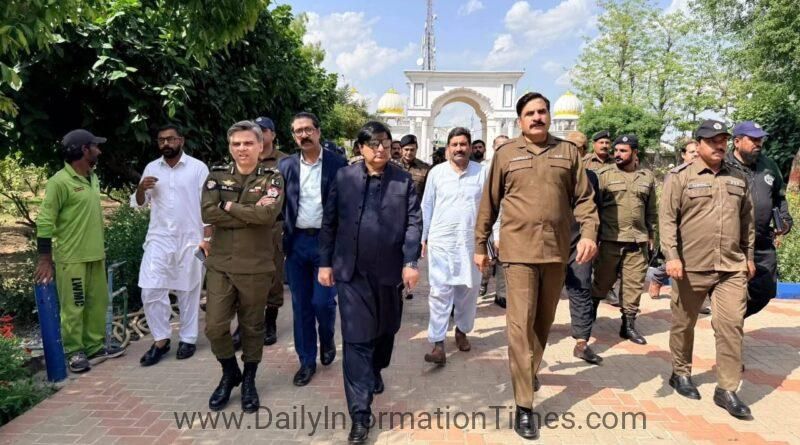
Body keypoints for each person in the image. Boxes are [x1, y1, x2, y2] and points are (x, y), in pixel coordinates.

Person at [474, 92, 598, 439]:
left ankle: (529, 370)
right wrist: (480, 244)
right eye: (530, 113)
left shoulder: (568, 153)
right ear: (520, 121)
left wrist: (589, 233)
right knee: (519, 326)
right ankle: (525, 403)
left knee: (542, 324)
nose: (537, 117)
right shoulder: (506, 154)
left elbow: (585, 200)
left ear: (549, 116)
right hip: (518, 254)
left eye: (542, 111)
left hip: (557, 253)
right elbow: (489, 203)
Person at [318, 121, 421, 445]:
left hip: (390, 274)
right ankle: (360, 414)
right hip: (351, 274)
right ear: (360, 148)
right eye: (373, 143)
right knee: (356, 340)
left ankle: (377, 368)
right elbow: (330, 220)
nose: (380, 148)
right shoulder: (344, 177)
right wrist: (324, 262)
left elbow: (414, 223)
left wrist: (410, 262)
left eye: (385, 143)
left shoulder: (403, 181)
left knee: (386, 332)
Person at [661, 119, 755, 419]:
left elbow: (748, 221)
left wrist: (749, 256)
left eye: (723, 140)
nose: (719, 145)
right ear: (698, 144)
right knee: (683, 323)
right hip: (691, 266)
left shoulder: (738, 178)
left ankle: (726, 389)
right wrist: (672, 256)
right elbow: (667, 220)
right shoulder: (678, 177)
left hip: (731, 266)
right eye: (713, 140)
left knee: (730, 327)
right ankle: (680, 372)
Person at [201, 121, 284, 413]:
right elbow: (207, 211)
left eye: (248, 143)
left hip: (256, 266)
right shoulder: (216, 176)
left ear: (260, 146)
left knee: (252, 328)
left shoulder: (272, 178)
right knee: (214, 327)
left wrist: (229, 207)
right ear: (230, 147)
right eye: (236, 144)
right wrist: (248, 213)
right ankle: (229, 371)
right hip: (221, 264)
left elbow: (267, 215)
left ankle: (249, 379)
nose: (242, 149)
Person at [35, 129, 126, 373]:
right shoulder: (59, 182)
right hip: (72, 257)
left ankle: (95, 346)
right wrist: (45, 258)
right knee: (74, 305)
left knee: (98, 303)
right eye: (95, 146)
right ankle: (74, 351)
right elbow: (45, 221)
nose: (99, 150)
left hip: (96, 254)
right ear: (84, 150)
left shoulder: (92, 177)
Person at [278, 112, 347, 386]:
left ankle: (327, 338)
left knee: (322, 301)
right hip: (296, 244)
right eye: (298, 131)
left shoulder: (337, 164)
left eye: (308, 129)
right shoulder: (286, 167)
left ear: (318, 131)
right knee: (300, 305)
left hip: (326, 244)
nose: (303, 135)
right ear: (294, 136)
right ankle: (306, 360)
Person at [133, 124, 209, 367]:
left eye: (170, 139)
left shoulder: (197, 168)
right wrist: (140, 189)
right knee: (150, 289)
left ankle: (188, 338)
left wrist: (207, 239)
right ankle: (161, 339)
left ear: (181, 141)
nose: (165, 143)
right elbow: (139, 204)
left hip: (191, 240)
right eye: (161, 140)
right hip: (159, 239)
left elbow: (207, 205)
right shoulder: (151, 168)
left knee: (189, 290)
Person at [421, 127, 486, 365]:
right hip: (441, 242)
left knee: (468, 292)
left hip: (471, 243)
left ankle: (462, 330)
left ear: (470, 147)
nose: (459, 148)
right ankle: (437, 343)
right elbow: (427, 205)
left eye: (463, 144)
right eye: (455, 144)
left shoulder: (482, 172)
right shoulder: (437, 173)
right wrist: (422, 236)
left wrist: (492, 239)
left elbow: (492, 208)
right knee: (439, 292)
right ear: (448, 148)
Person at [591, 135, 657, 345]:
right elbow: (592, 208)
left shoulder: (647, 177)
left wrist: (652, 235)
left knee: (634, 285)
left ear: (635, 152)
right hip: (610, 240)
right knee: (602, 282)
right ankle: (588, 314)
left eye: (623, 151)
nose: (617, 154)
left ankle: (627, 325)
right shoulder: (604, 175)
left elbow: (652, 210)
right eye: (616, 150)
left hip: (637, 242)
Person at [727, 121, 793, 318]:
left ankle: (730, 320)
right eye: (753, 139)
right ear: (737, 141)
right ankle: (728, 325)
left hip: (762, 241)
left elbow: (779, 196)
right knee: (731, 289)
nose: (759, 143)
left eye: (760, 139)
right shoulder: (723, 164)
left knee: (765, 289)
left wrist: (784, 219)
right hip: (731, 241)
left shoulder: (769, 165)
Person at [563, 130, 603, 364]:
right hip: (551, 244)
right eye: (570, 146)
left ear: (585, 151)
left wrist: (593, 239)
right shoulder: (552, 175)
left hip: (579, 244)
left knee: (581, 291)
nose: (574, 152)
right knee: (542, 293)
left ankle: (581, 342)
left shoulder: (591, 178)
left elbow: (595, 212)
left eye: (579, 147)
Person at [648, 139, 700, 300]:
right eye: (692, 152)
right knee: (679, 259)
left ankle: (698, 298)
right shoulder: (676, 175)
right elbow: (668, 209)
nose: (696, 155)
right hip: (681, 229)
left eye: (698, 151)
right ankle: (658, 277)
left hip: (701, 228)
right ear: (684, 155)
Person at [256, 116, 288, 345]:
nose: (260, 133)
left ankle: (270, 323)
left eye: (264, 130)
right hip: (246, 226)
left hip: (274, 225)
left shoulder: (285, 162)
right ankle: (248, 325)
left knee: (273, 275)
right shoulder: (244, 158)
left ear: (273, 134)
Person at [480, 134, 511, 309]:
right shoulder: (484, 169)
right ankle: (483, 282)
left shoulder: (514, 165)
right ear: (493, 147)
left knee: (502, 260)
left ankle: (501, 294)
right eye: (499, 146)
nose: (502, 148)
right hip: (487, 221)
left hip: (507, 221)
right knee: (486, 259)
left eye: (505, 145)